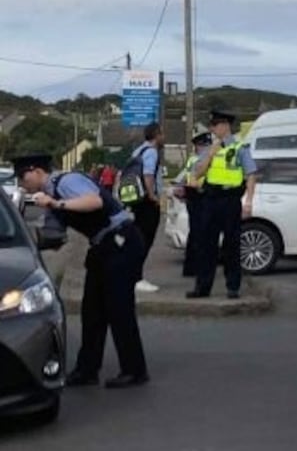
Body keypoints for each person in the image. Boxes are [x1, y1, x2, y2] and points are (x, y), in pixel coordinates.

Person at [12, 153, 149, 389]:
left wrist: (56, 203)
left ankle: (134, 370)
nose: (22, 185)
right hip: (101, 247)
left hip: (121, 241)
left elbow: (94, 201)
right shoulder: (50, 197)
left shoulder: (65, 182)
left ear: (36, 171)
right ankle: (87, 370)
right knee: (92, 310)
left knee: (119, 308)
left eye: (23, 178)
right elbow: (52, 236)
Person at [187, 110, 258, 299]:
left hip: (230, 200)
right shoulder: (211, 148)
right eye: (212, 125)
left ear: (225, 126)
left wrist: (248, 202)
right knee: (206, 245)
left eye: (215, 125)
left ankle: (233, 286)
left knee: (231, 245)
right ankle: (202, 287)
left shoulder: (240, 147)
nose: (212, 128)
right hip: (210, 200)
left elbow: (251, 175)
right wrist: (210, 154)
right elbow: (198, 173)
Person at [128, 121, 165, 293]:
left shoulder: (138, 150)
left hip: (136, 200)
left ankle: (132, 275)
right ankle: (136, 278)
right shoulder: (151, 152)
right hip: (146, 201)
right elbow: (148, 175)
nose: (163, 137)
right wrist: (153, 196)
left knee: (138, 238)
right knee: (145, 239)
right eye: (162, 134)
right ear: (156, 135)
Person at [177, 131, 212, 277]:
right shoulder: (198, 160)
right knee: (199, 234)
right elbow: (190, 178)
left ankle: (191, 267)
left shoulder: (194, 159)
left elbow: (182, 178)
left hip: (194, 197)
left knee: (195, 233)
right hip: (198, 196)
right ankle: (195, 267)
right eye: (205, 145)